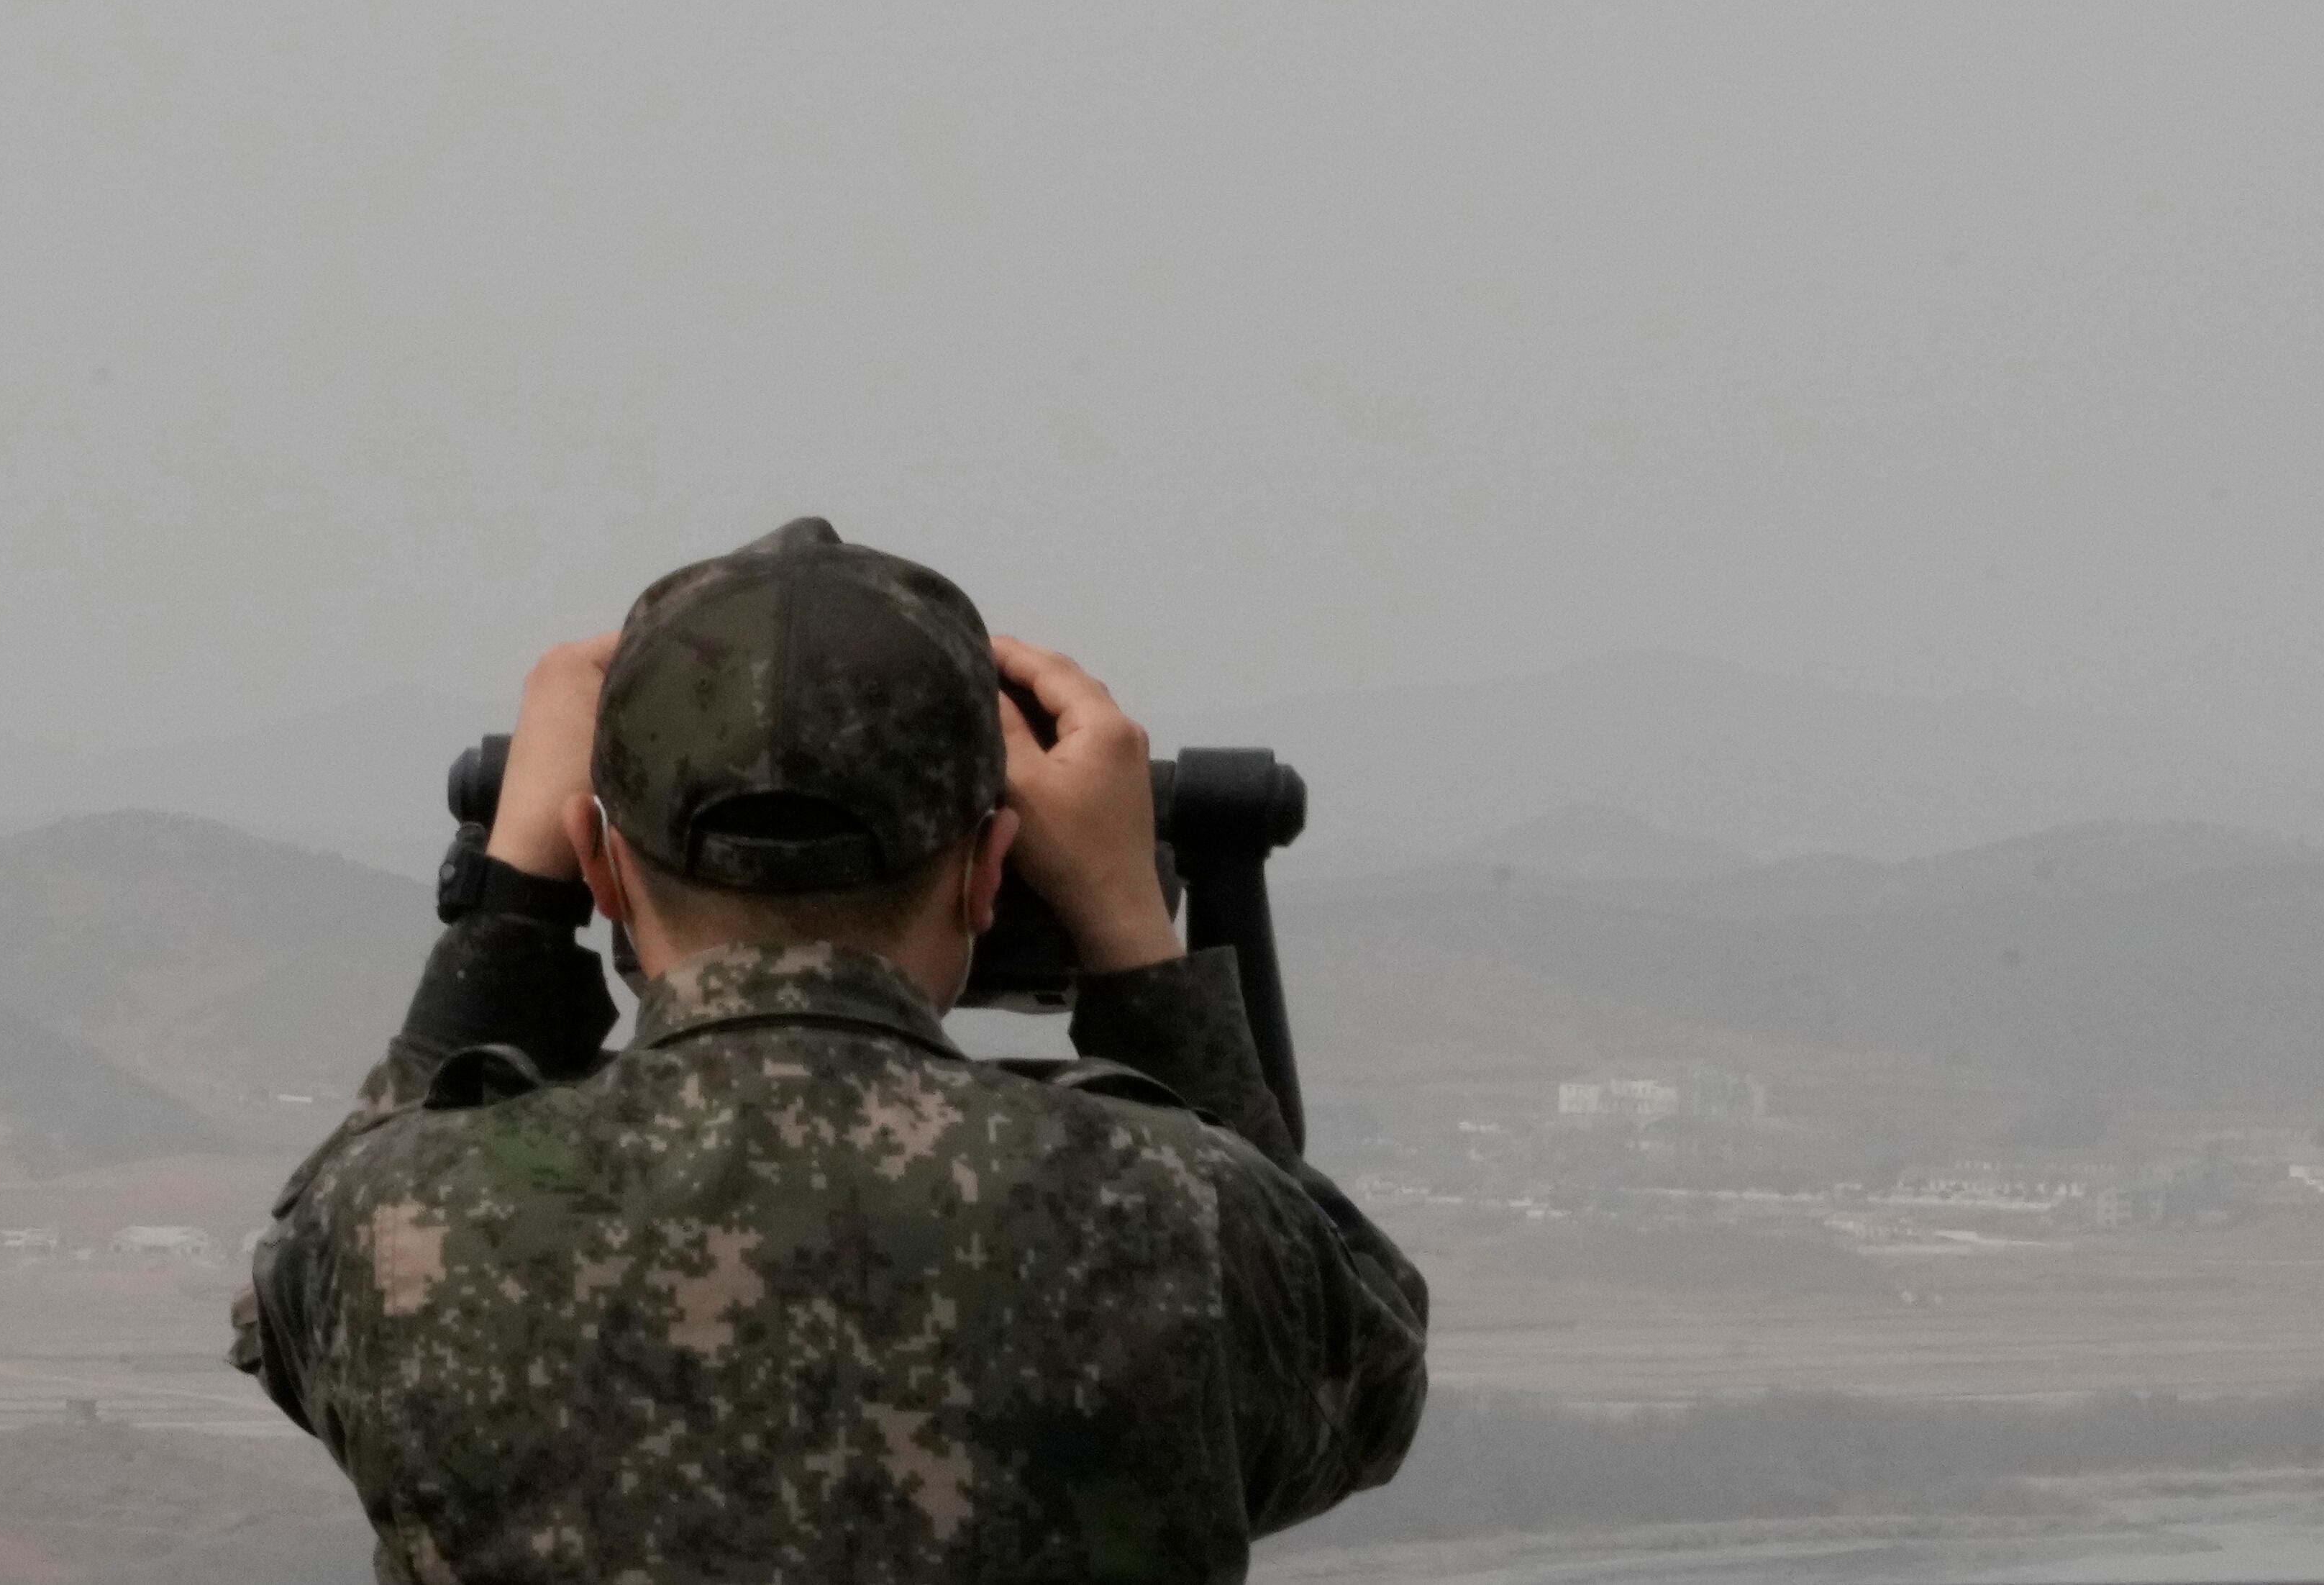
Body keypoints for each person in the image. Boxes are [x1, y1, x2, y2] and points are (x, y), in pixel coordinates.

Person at [232, 519, 1428, 1581]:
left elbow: (291, 1303)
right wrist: (1130, 929)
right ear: (988, 868)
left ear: (596, 868)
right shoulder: (1181, 1216)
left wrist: (509, 910)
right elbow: (1354, 1377)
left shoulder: (401, 1229)